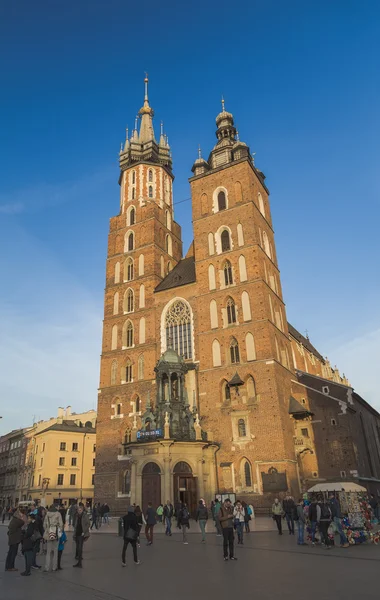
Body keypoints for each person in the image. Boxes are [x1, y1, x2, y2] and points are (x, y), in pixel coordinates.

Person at [43, 504, 63, 572]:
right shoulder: (58, 514)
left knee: (48, 552)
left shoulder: (47, 514)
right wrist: (59, 533)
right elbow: (61, 524)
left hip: (49, 532)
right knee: (55, 551)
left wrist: (47, 530)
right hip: (56, 532)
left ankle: (46, 567)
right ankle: (54, 567)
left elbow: (44, 524)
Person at [5, 507, 26, 572]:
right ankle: (11, 567)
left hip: (12, 539)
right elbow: (22, 522)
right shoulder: (16, 520)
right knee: (13, 553)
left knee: (10, 553)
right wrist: (21, 517)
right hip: (15, 540)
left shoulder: (13, 520)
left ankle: (7, 566)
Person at [73, 503, 90, 568]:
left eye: (80, 510)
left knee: (80, 548)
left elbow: (88, 524)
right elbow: (75, 525)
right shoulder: (77, 516)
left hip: (81, 533)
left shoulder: (85, 515)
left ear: (82, 510)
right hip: (77, 533)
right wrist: (74, 533)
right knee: (77, 547)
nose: (79, 511)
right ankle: (78, 562)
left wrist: (84, 531)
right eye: (78, 510)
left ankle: (80, 563)